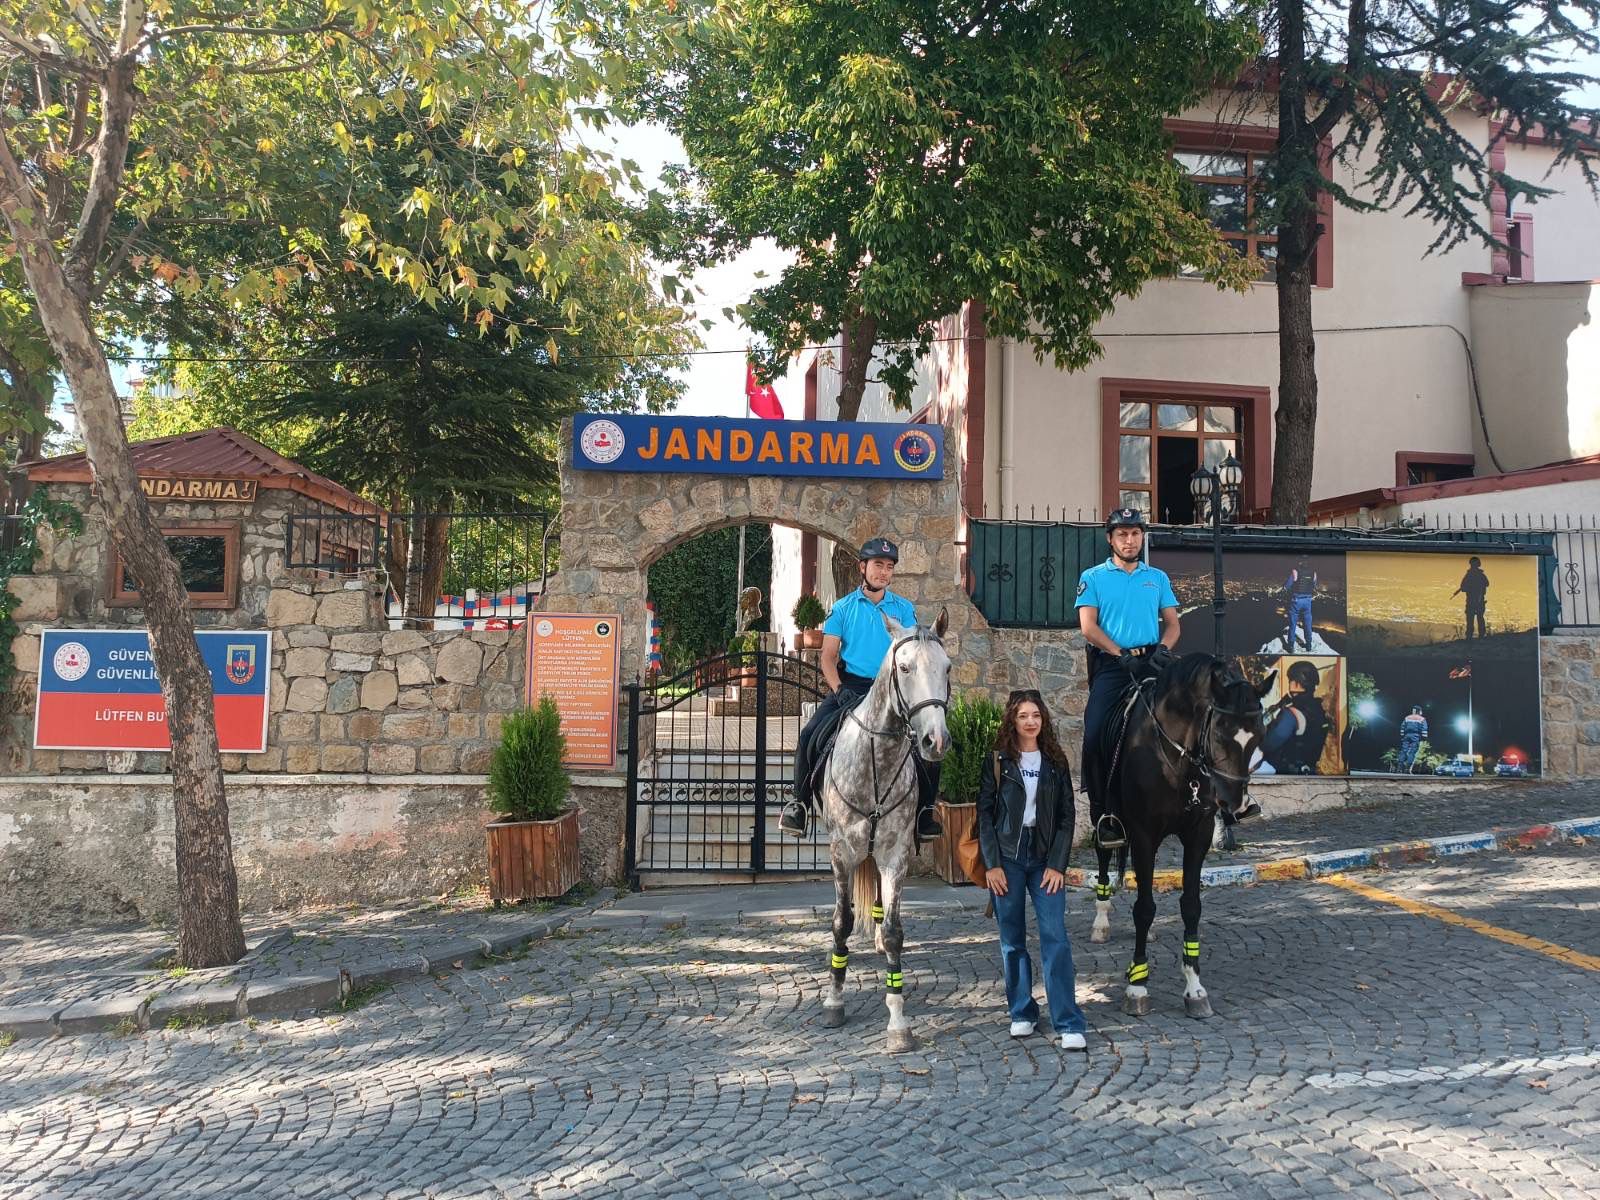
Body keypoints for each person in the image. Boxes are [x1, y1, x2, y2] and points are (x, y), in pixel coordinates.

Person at [779, 537, 943, 840]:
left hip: (894, 691)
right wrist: (839, 689)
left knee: (929, 740)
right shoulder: (842, 608)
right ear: (862, 567)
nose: (883, 572)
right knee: (809, 735)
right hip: (851, 687)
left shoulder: (904, 609)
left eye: (889, 567)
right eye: (878, 565)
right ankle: (798, 805)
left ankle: (924, 813)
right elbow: (827, 658)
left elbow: (912, 654)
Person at [977, 690, 1087, 1051]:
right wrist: (992, 865)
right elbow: (985, 816)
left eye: (1036, 715)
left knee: (1055, 937)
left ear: (1043, 720)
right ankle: (1022, 1011)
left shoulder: (1055, 761)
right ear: (1013, 719)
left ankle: (1068, 1021)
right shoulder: (998, 761)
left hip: (1043, 859)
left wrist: (1057, 864)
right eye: (1023, 715)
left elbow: (1067, 817)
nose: (1030, 721)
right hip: (1007, 858)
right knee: (1012, 940)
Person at [1075, 508, 1184, 849]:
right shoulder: (1093, 577)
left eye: (1135, 534)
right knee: (1094, 733)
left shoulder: (1158, 578)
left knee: (1198, 713)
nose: (1129, 540)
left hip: (1153, 660)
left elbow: (1173, 623)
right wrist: (1118, 652)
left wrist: (1164, 650)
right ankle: (1103, 814)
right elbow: (1088, 627)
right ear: (1110, 539)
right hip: (1113, 665)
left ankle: (1223, 801)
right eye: (1122, 534)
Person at [1259, 660, 1329, 774]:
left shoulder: (1291, 713)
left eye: (1291, 680)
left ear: (1296, 683)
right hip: (1309, 771)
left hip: (1286, 773)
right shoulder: (1319, 708)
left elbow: (1267, 744)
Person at [1284, 558, 1318, 652]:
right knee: (1307, 623)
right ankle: (1308, 645)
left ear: (1300, 562)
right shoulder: (1313, 573)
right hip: (1308, 601)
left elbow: (1287, 586)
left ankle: (1290, 646)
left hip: (1296, 601)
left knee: (1293, 623)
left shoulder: (1295, 571)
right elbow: (1315, 585)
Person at [1454, 557, 1490, 640]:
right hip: (1477, 600)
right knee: (1478, 617)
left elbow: (1463, 588)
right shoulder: (1480, 575)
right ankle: (1480, 635)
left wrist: (1470, 587)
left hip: (1474, 600)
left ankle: (1470, 636)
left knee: (1472, 618)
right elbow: (1487, 584)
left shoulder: (1470, 575)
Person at [1397, 705, 1429, 773]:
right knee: (1412, 752)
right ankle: (1407, 769)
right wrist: (1424, 738)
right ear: (1419, 711)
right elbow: (1424, 729)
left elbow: (1402, 727)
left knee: (1403, 750)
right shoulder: (1422, 719)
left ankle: (1399, 768)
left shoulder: (1407, 717)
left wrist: (1403, 736)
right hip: (1415, 736)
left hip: (1406, 735)